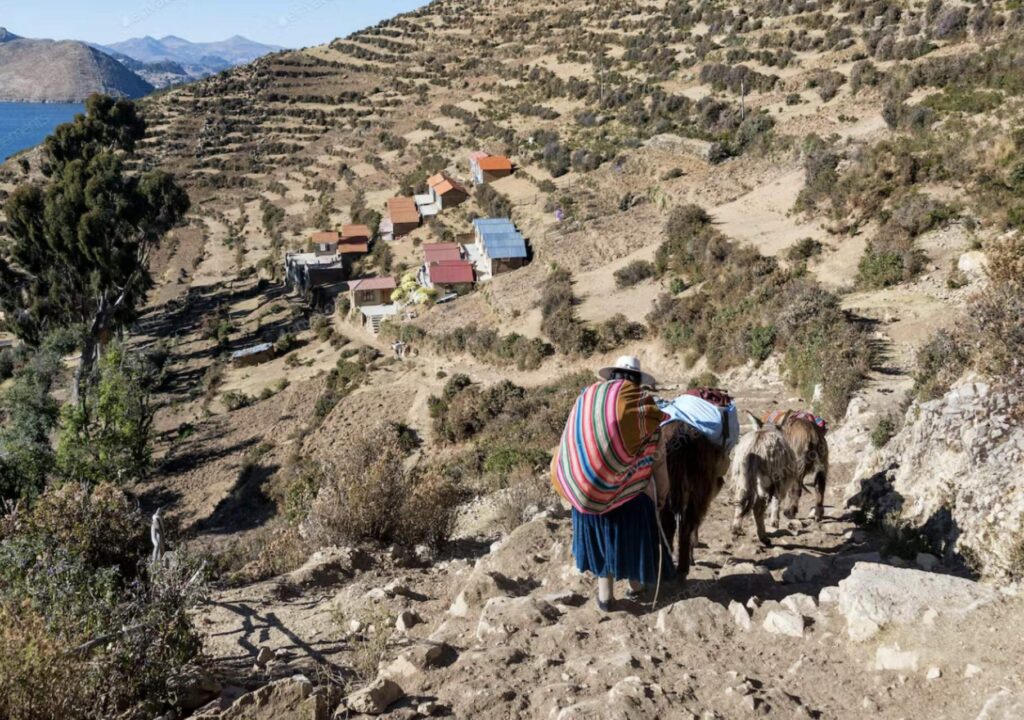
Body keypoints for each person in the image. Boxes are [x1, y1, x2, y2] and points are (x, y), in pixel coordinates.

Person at [551, 356, 675, 612]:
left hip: (584, 494)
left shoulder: (587, 400)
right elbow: (658, 461)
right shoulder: (645, 413)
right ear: (639, 383)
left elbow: (573, 440)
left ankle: (605, 597)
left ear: (611, 378)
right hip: (628, 502)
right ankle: (637, 586)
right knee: (637, 513)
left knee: (600, 532)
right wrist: (662, 494)